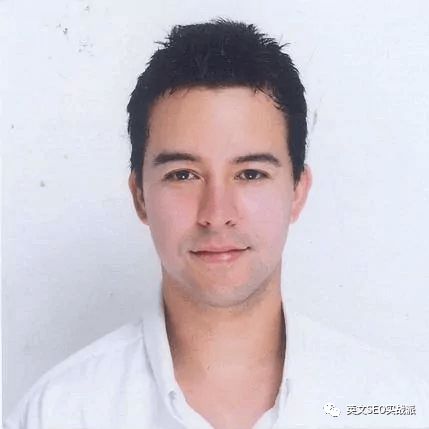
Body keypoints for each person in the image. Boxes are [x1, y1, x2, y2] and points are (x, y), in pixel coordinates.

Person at [5, 18, 428, 429]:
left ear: (298, 190)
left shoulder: (383, 403)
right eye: (183, 175)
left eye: (250, 174)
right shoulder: (59, 414)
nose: (217, 213)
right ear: (140, 196)